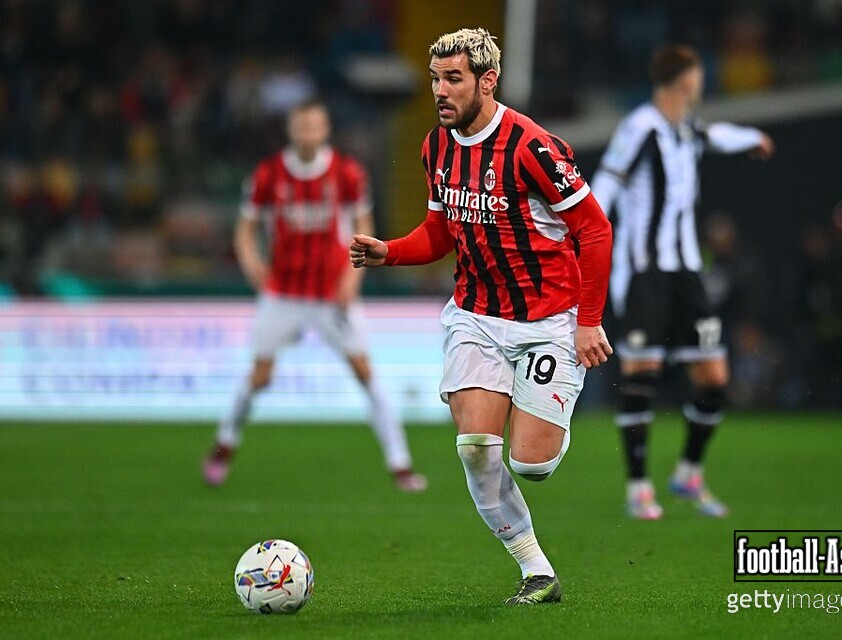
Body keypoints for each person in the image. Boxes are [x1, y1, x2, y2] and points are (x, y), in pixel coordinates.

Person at [349, 28, 612, 605]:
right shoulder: (436, 147)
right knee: (475, 448)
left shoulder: (533, 147)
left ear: (487, 81)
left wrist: (589, 321)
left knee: (531, 463)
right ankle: (537, 572)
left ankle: (541, 398)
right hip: (475, 315)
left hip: (548, 319)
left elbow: (594, 229)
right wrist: (390, 250)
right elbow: (440, 230)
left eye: (453, 79)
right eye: (435, 79)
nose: (440, 91)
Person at [203, 98, 427, 493]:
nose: (308, 134)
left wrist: (352, 279)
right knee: (259, 376)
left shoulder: (347, 172)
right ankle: (223, 447)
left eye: (314, 126)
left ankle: (400, 464)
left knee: (365, 372)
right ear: (291, 130)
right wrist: (252, 263)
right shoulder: (268, 174)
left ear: (325, 130)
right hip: (283, 292)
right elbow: (245, 228)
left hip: (330, 292)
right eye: (301, 126)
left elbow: (363, 224)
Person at [591, 45, 775, 520]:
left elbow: (718, 135)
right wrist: (583, 237)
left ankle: (689, 473)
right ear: (686, 80)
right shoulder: (639, 128)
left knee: (714, 376)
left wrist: (752, 137)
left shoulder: (686, 129)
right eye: (697, 74)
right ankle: (638, 487)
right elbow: (605, 185)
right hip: (644, 272)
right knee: (641, 372)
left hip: (687, 272)